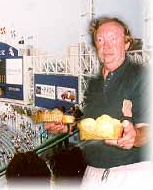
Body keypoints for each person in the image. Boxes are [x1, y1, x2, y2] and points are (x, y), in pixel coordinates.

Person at [44, 17, 151, 188]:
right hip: (93, 173)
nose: (106, 46)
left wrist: (135, 136)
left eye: (113, 38)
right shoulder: (94, 82)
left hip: (130, 173)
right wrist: (67, 126)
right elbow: (91, 124)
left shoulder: (143, 75)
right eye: (100, 40)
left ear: (126, 44)